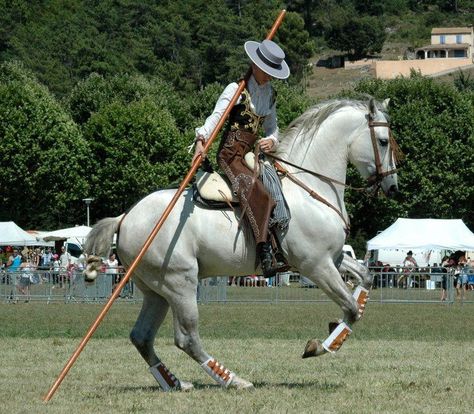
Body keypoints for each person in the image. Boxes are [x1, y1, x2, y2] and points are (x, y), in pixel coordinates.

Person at [192, 39, 290, 278]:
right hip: (230, 155)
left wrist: (272, 140)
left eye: (273, 73)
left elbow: (273, 128)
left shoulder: (269, 94)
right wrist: (201, 139)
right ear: (256, 66)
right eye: (268, 72)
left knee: (279, 185)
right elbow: (215, 118)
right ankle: (263, 252)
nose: (270, 77)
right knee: (259, 193)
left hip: (251, 155)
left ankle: (280, 244)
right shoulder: (235, 90)